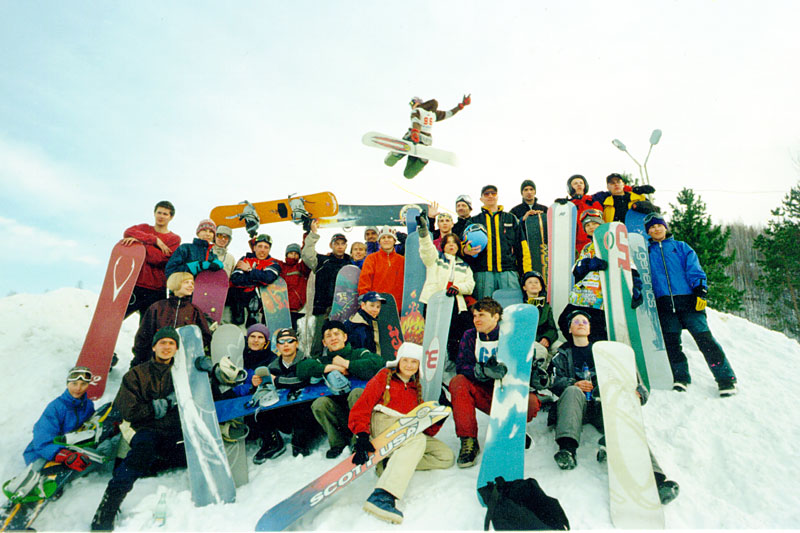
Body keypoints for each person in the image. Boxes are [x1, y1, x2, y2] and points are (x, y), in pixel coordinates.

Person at [548, 310, 680, 505]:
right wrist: (572, 383)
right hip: (575, 407)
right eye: (576, 322)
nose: (581, 324)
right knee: (573, 391)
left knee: (623, 416)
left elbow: (633, 379)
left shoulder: (605, 352)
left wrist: (637, 393)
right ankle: (567, 451)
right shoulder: (562, 354)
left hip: (603, 405)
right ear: (569, 329)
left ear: (590, 328)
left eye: (584, 321)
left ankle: (657, 479)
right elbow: (552, 380)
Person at [91, 328, 186, 530]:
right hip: (144, 428)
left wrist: (212, 373)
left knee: (187, 450)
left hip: (171, 430)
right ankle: (108, 506)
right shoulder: (136, 374)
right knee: (143, 451)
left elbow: (203, 396)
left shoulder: (181, 374)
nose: (167, 347)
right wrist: (157, 407)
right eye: (162, 343)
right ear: (154, 347)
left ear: (177, 348)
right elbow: (128, 410)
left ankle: (154, 465)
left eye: (171, 343)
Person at [348, 343, 454, 524]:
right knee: (416, 440)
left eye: (414, 362)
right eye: (406, 360)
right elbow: (363, 405)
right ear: (398, 361)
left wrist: (440, 416)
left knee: (445, 456)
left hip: (407, 429)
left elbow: (425, 430)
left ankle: (390, 464)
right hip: (384, 422)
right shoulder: (384, 377)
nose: (409, 365)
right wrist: (362, 435)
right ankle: (383, 495)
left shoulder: (416, 389)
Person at [645, 214, 737, 396]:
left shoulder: (681, 247)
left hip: (689, 303)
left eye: (659, 225)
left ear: (665, 227)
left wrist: (700, 290)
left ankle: (726, 379)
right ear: (648, 232)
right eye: (652, 227)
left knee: (705, 341)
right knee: (672, 345)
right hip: (664, 306)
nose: (656, 229)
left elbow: (694, 269)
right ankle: (681, 378)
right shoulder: (646, 253)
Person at [449, 298, 541, 467]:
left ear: (496, 317)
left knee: (532, 402)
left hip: (509, 392)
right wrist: (482, 371)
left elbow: (525, 364)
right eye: (475, 315)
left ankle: (512, 426)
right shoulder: (470, 336)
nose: (476, 319)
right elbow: (462, 366)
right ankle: (468, 440)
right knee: (458, 382)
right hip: (485, 392)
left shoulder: (511, 335)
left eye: (482, 315)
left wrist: (536, 376)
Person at [297, 320, 383, 458]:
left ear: (345, 337)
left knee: (356, 393)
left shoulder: (359, 353)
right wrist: (330, 367)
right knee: (320, 403)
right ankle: (337, 443)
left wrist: (347, 364)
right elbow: (302, 369)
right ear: (324, 342)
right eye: (328, 336)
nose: (333, 338)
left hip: (364, 417)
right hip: (341, 416)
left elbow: (377, 363)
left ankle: (358, 441)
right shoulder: (323, 360)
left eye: (337, 334)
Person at [250, 328, 319, 461]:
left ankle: (300, 442)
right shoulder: (272, 366)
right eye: (282, 342)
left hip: (306, 413)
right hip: (285, 413)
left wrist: (277, 380)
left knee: (302, 406)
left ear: (296, 343)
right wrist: (256, 385)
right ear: (277, 346)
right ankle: (272, 442)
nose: (286, 345)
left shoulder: (307, 361)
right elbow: (265, 388)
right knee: (261, 407)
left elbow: (302, 380)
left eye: (290, 341)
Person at [418, 217, 475, 363]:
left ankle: (454, 365)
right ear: (443, 246)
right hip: (434, 302)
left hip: (455, 305)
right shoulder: (435, 260)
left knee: (454, 337)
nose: (451, 245)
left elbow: (470, 285)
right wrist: (424, 232)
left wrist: (458, 288)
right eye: (448, 243)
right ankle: (433, 365)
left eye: (454, 243)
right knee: (435, 335)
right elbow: (426, 249)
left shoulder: (464, 265)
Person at [130, 272, 212, 368]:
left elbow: (205, 336)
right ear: (175, 284)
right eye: (186, 282)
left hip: (183, 364)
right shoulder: (158, 307)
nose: (191, 286)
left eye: (192, 283)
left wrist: (190, 350)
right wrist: (138, 359)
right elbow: (144, 335)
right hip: (156, 361)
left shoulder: (194, 311)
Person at [463, 185, 531, 299]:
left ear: (497, 196)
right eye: (486, 194)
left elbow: (522, 247)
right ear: (481, 199)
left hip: (508, 272)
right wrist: (465, 250)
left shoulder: (511, 218)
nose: (490, 196)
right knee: (485, 306)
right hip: (483, 273)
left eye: (493, 193)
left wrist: (527, 273)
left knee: (511, 305)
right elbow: (463, 243)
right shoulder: (474, 221)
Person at [23, 367, 96, 467]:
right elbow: (42, 439)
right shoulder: (56, 407)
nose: (78, 388)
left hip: (71, 447)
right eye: (74, 384)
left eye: (83, 384)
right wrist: (64, 455)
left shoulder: (88, 405)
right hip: (43, 453)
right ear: (67, 384)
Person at [384, 94, 471, 179]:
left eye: (412, 103)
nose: (411, 106)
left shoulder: (417, 110)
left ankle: (396, 154)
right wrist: (461, 105)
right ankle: (422, 161)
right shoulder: (433, 114)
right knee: (408, 175)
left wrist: (415, 132)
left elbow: (415, 121)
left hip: (413, 137)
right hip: (426, 141)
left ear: (418, 102)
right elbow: (449, 113)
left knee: (388, 162)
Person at [122, 201, 181, 320]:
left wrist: (141, 244)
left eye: (165, 214)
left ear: (171, 217)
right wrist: (154, 240)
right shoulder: (144, 228)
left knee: (149, 327)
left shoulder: (174, 239)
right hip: (135, 285)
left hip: (156, 290)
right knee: (115, 319)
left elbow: (159, 259)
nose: (161, 216)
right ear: (154, 213)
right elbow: (127, 232)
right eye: (159, 212)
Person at [302, 220, 353, 356]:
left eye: (342, 244)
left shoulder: (351, 264)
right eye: (337, 244)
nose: (340, 246)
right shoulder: (322, 261)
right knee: (320, 339)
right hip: (323, 308)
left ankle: (343, 362)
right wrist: (313, 234)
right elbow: (307, 255)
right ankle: (316, 362)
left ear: (346, 245)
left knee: (343, 338)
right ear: (331, 245)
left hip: (344, 308)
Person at [229, 234, 282, 327]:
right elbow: (235, 279)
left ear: (269, 250)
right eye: (260, 246)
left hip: (262, 304)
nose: (262, 250)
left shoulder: (273, 264)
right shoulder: (245, 259)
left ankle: (254, 316)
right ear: (254, 248)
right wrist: (257, 279)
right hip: (240, 301)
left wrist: (249, 270)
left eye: (266, 247)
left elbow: (267, 279)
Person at [358, 226, 404, 313]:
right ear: (379, 241)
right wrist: (365, 301)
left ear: (394, 240)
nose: (386, 240)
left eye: (389, 237)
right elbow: (364, 281)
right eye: (383, 238)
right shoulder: (371, 258)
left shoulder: (402, 260)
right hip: (375, 307)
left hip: (397, 307)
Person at [554, 174, 603, 253]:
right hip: (579, 244)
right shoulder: (569, 206)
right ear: (570, 187)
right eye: (575, 183)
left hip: (599, 240)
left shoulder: (594, 200)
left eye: (581, 183)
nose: (579, 185)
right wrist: (560, 207)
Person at [276, 243, 311, 330]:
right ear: (286, 254)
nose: (293, 255)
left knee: (293, 333)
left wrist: (306, 239)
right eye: (291, 253)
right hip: (279, 309)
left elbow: (307, 256)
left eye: (296, 254)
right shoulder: (281, 266)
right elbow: (265, 259)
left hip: (295, 309)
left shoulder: (301, 267)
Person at [521, 271, 558, 353]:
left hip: (545, 339)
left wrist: (546, 338)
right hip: (529, 342)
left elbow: (552, 329)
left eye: (536, 282)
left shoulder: (546, 307)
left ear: (540, 287)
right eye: (530, 282)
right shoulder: (521, 308)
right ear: (524, 287)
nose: (533, 284)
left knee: (559, 348)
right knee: (541, 351)